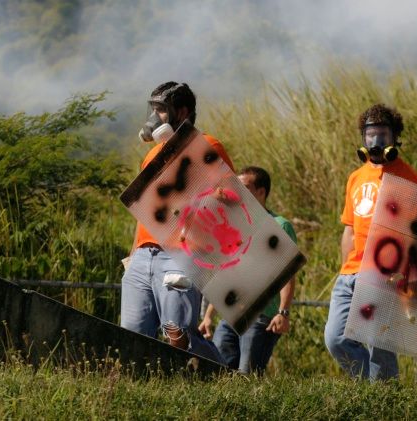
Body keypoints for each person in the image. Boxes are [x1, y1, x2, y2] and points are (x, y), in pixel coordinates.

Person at [120, 81, 234, 362]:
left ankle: (223, 376)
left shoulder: (207, 145)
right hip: (145, 253)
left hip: (182, 252)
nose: (154, 116)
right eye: (154, 108)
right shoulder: (151, 154)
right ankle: (141, 393)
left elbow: (232, 197)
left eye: (161, 109)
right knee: (131, 335)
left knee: (180, 337)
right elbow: (143, 209)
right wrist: (134, 254)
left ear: (182, 112)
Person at [324, 103, 417, 381]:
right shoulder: (355, 178)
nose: (376, 142)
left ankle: (384, 398)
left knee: (378, 344)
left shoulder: (411, 180)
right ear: (362, 138)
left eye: (382, 135)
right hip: (351, 273)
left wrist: (411, 278)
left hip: (386, 272)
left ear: (395, 138)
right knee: (335, 339)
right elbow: (349, 229)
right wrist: (345, 267)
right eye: (370, 136)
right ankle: (372, 390)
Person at [198, 166, 297, 374]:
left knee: (248, 377)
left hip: (261, 317)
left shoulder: (279, 225)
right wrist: (209, 315)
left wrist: (283, 313)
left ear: (261, 192)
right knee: (218, 374)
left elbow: (287, 274)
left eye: (244, 188)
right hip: (231, 315)